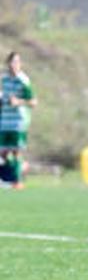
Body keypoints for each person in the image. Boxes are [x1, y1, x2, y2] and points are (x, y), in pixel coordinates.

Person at [0, 52, 37, 190]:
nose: (13, 65)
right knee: (2, 153)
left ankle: (17, 181)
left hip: (18, 122)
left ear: (20, 64)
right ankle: (12, 174)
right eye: (11, 62)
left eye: (16, 62)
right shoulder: (4, 80)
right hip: (4, 120)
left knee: (16, 152)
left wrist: (18, 102)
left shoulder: (23, 80)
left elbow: (33, 102)